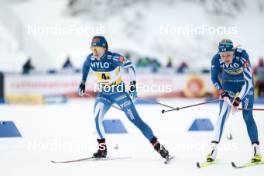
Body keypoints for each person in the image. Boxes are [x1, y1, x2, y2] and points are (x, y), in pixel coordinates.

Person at [78, 36, 171, 162]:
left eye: (97, 49)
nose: (95, 52)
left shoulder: (114, 58)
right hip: (104, 95)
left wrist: (133, 86)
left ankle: (159, 147)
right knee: (96, 118)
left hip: (120, 94)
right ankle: (102, 149)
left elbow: (130, 66)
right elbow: (85, 65)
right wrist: (83, 82)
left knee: (137, 121)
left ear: (104, 48)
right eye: (93, 49)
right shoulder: (91, 58)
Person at [207, 39, 262, 163]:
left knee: (247, 116)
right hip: (228, 85)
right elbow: (214, 78)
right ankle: (213, 148)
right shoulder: (216, 59)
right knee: (222, 115)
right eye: (223, 55)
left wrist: (237, 100)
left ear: (233, 52)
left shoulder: (242, 55)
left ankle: (256, 149)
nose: (226, 58)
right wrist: (222, 92)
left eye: (228, 55)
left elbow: (248, 82)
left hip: (245, 86)